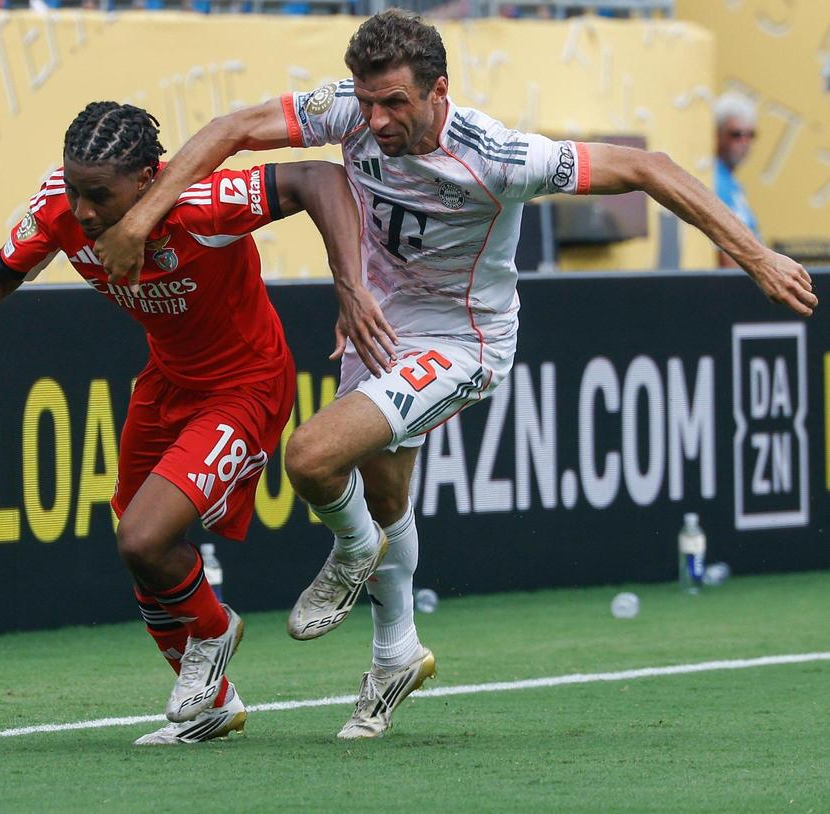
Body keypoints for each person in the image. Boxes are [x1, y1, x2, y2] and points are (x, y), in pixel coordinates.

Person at [94, 10, 818, 739]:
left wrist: (756, 257)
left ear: (440, 90)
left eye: (394, 104)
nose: (373, 120)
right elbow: (230, 129)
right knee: (382, 490)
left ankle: (350, 556)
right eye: (366, 100)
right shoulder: (350, 110)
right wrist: (141, 218)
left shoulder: (501, 155)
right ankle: (396, 653)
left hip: (464, 341)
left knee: (312, 458)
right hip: (382, 327)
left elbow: (650, 169)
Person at [0, 101, 361, 745]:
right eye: (75, 190)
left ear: (150, 180)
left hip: (245, 388)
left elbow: (322, 180)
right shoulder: (59, 209)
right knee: (142, 550)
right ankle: (212, 705)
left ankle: (215, 631)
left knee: (142, 539)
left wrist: (350, 288)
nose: (84, 209)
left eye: (99, 194)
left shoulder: (202, 205)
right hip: (166, 383)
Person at [714, 91, 760, 267]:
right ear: (717, 134)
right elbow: (727, 252)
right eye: (736, 134)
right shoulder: (714, 179)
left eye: (750, 135)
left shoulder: (731, 183)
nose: (744, 141)